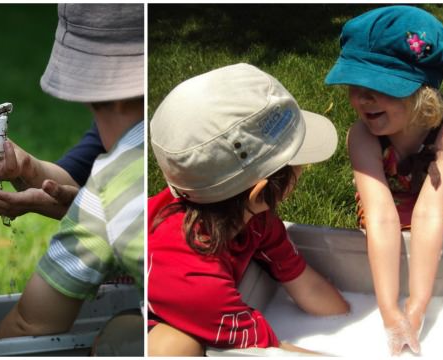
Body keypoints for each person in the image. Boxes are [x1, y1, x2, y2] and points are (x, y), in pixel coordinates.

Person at [148, 63, 350, 356]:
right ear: (258, 193)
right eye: (298, 160)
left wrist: (353, 315)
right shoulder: (197, 283)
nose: (305, 167)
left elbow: (306, 284)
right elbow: (271, 352)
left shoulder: (250, 215)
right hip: (142, 315)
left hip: (194, 302)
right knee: (175, 347)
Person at [0, 3, 144, 342]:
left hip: (185, 331)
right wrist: (26, 167)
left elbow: (30, 325)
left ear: (104, 92)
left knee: (122, 335)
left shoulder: (108, 184)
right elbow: (73, 177)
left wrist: (94, 205)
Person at [325, 5, 443, 356]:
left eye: (378, 86)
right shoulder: (362, 136)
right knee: (383, 241)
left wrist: (417, 308)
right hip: (389, 201)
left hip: (440, 199)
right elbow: (381, 216)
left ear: (423, 91)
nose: (362, 98)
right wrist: (390, 311)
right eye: (354, 85)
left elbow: (431, 213)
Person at [0, 122, 103, 220]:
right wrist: (25, 167)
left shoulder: (114, 115)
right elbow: (74, 177)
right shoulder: (109, 124)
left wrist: (77, 206)